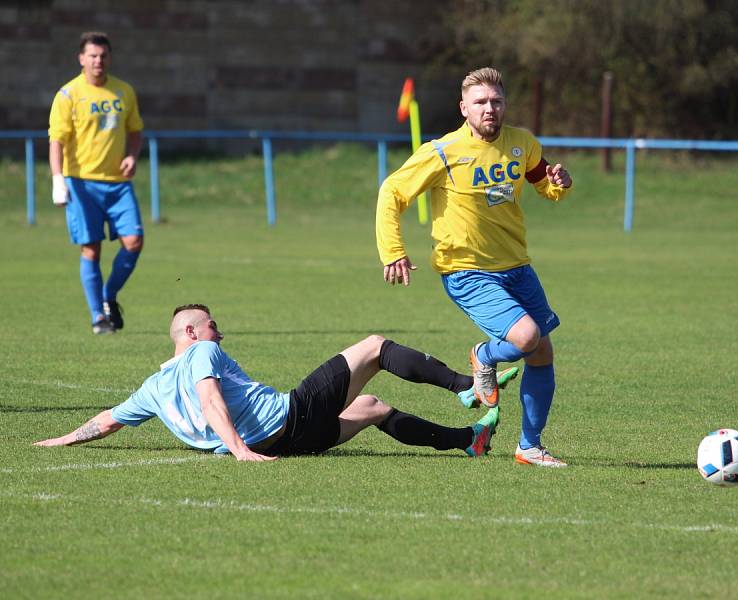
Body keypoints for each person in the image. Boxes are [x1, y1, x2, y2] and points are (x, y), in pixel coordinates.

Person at [376, 67, 573, 468]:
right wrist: (392, 249)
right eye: (481, 102)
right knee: (527, 337)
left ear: (505, 105)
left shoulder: (522, 144)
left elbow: (543, 183)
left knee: (541, 354)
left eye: (496, 101)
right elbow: (392, 192)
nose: (490, 109)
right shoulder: (443, 151)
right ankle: (484, 355)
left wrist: (559, 183)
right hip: (466, 270)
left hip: (517, 267)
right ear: (464, 108)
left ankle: (529, 447)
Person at [34, 304, 511, 460]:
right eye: (213, 324)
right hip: (285, 420)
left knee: (370, 406)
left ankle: (469, 440)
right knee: (373, 345)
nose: (220, 332)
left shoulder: (150, 390)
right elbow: (209, 397)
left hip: (285, 445)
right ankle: (465, 388)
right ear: (193, 333)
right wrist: (239, 448)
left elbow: (107, 422)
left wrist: (61, 438)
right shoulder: (203, 351)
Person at [48, 31, 145, 335]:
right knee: (91, 249)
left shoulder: (123, 92)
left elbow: (135, 131)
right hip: (81, 184)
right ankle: (97, 317)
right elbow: (57, 141)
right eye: (92, 55)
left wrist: (132, 156)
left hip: (117, 184)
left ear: (109, 58)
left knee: (134, 242)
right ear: (81, 59)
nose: (98, 61)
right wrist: (57, 179)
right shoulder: (68, 94)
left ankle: (108, 296)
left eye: (103, 56)